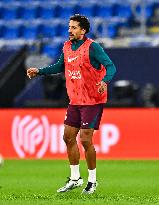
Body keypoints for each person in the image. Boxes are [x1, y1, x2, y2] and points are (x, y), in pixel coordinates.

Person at [27, 14, 116, 194]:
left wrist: (105, 81)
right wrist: (40, 71)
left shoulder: (93, 47)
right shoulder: (67, 46)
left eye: (74, 27)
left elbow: (111, 66)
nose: (70, 30)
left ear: (83, 30)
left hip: (92, 100)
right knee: (68, 137)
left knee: (84, 139)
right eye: (69, 27)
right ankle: (75, 178)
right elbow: (60, 67)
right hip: (75, 100)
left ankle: (92, 181)